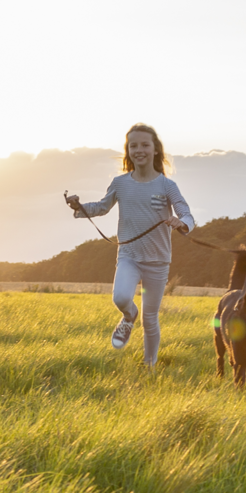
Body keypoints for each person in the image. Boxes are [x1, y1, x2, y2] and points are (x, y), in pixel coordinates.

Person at [66, 123, 196, 366]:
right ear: (128, 151)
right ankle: (128, 315)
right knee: (120, 297)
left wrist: (181, 223)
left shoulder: (167, 186)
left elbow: (186, 212)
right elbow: (102, 207)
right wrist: (79, 206)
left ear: (155, 149)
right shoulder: (120, 183)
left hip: (158, 261)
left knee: (150, 319)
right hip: (129, 256)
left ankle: (150, 367)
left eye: (145, 145)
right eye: (133, 145)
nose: (139, 150)